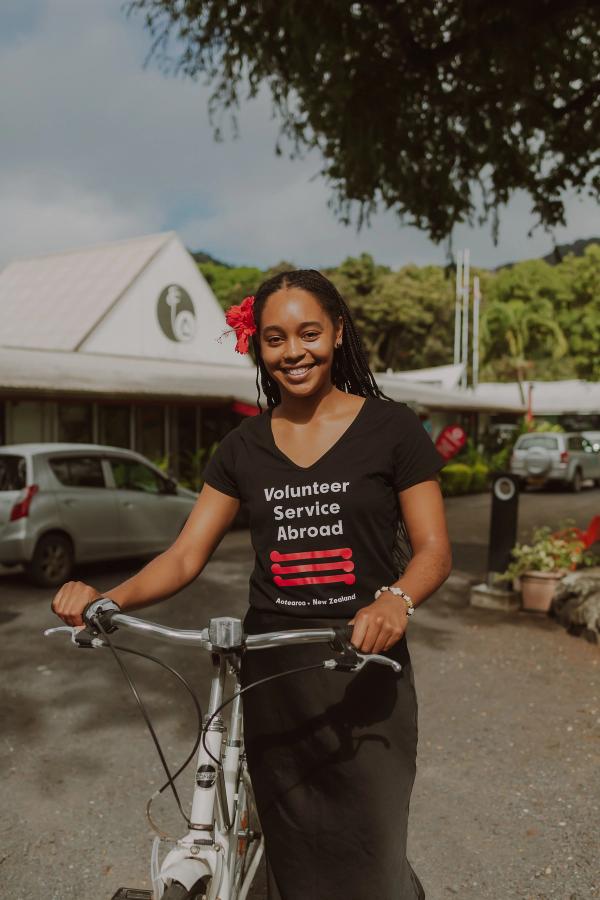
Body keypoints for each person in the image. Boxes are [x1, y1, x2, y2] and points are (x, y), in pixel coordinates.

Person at [52, 269, 452, 899]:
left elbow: (433, 551)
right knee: (295, 853)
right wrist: (108, 599)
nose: (294, 351)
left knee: (369, 854)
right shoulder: (242, 446)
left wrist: (396, 599)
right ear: (258, 347)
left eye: (309, 333)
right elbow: (185, 554)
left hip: (366, 666)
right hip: (273, 673)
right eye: (275, 338)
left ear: (338, 332)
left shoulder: (392, 428)